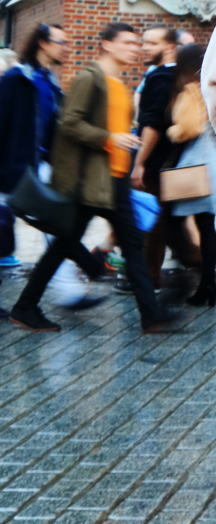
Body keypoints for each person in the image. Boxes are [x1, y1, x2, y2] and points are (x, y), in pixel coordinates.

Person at [8, 19, 179, 335]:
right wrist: (109, 138)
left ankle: (151, 316)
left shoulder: (119, 84)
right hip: (90, 184)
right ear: (107, 44)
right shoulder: (90, 79)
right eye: (128, 43)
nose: (135, 49)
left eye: (136, 43)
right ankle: (25, 307)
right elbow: (69, 124)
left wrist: (124, 143)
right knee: (65, 245)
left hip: (113, 181)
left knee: (129, 245)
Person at [0, 23, 108, 296]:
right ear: (43, 43)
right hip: (10, 171)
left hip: (41, 170)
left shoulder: (50, 83)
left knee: (58, 229)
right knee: (2, 238)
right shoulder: (15, 80)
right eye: (61, 42)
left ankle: (69, 294)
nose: (66, 48)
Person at [157, 42, 216, 308]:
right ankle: (208, 283)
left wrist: (171, 131)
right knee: (207, 225)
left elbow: (187, 128)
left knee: (174, 222)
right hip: (213, 162)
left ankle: (197, 279)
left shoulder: (189, 90)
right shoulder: (214, 89)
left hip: (195, 164)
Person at [133, 24, 198, 288]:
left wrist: (139, 162)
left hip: (158, 165)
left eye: (151, 43)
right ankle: (193, 267)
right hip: (178, 165)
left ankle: (148, 281)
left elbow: (152, 125)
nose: (144, 48)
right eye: (144, 42)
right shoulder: (182, 77)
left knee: (156, 227)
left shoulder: (160, 77)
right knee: (169, 226)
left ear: (169, 47)